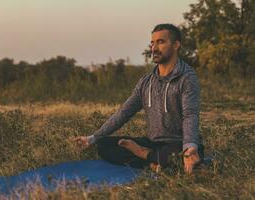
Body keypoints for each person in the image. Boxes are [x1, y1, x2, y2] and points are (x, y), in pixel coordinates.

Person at [73, 24, 204, 174]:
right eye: (152, 43)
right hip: (152, 143)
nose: (154, 48)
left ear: (176, 45)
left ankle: (145, 155)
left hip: (178, 143)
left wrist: (190, 147)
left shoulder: (187, 77)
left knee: (180, 156)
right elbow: (124, 113)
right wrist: (93, 138)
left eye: (160, 42)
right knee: (103, 145)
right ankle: (152, 163)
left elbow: (190, 114)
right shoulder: (146, 81)